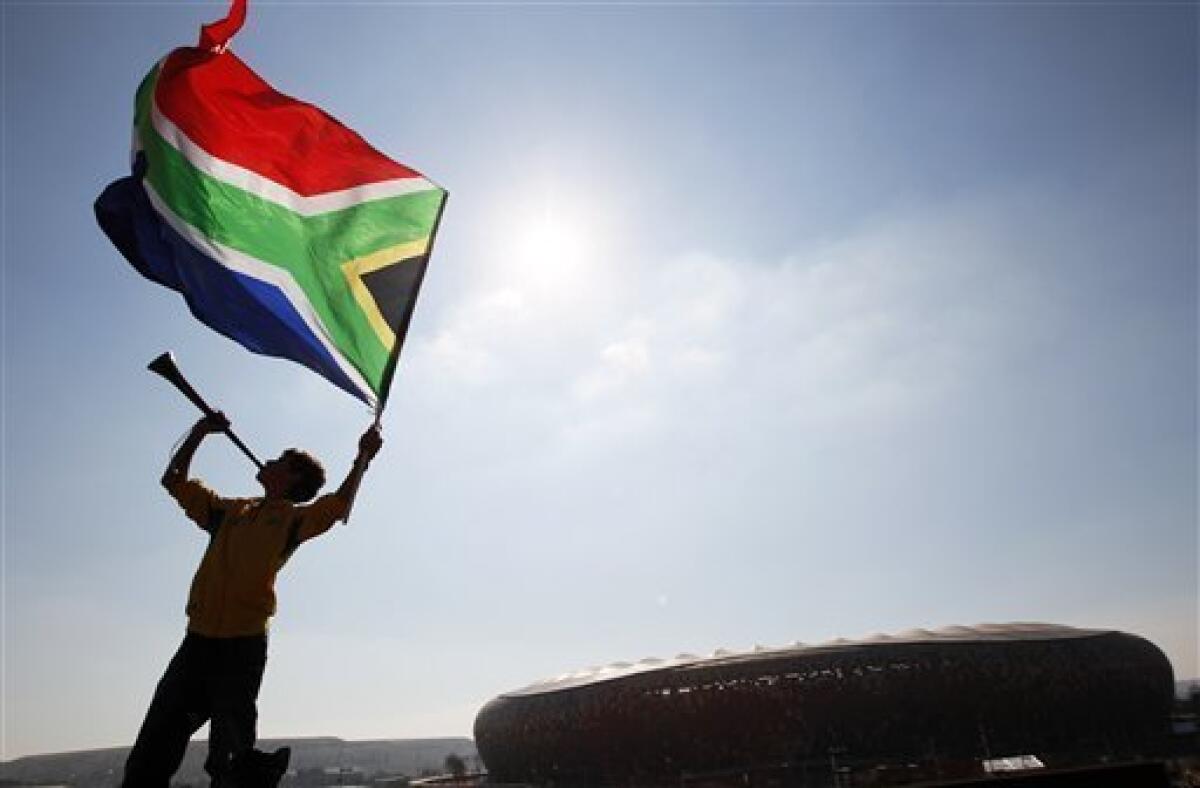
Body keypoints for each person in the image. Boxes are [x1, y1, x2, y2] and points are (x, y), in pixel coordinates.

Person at [122, 412, 384, 788]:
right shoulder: (229, 511)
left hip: (241, 649)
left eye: (280, 461)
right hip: (196, 644)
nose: (270, 461)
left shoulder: (294, 521)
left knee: (231, 764)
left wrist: (363, 459)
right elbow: (173, 480)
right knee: (150, 755)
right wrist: (199, 433)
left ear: (292, 478)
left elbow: (340, 504)